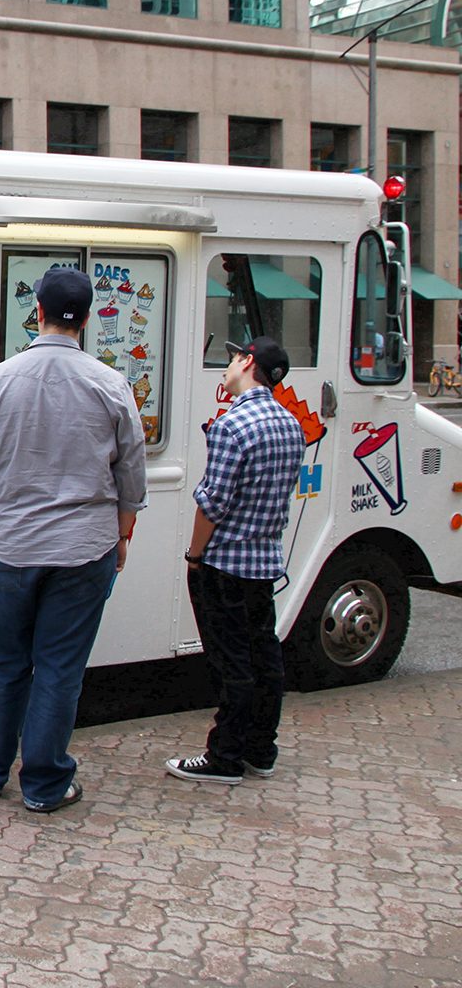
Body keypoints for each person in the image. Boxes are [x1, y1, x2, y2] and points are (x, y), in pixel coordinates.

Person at [0, 267, 147, 813]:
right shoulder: (110, 384)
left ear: (36, 310)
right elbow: (131, 473)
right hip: (86, 548)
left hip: (12, 545)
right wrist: (123, 535)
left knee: (4, 663)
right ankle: (44, 784)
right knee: (60, 668)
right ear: (86, 318)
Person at [166, 336, 305, 785]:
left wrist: (194, 554)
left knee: (231, 664)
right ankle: (261, 749)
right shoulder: (289, 424)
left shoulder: (232, 424)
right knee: (265, 658)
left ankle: (224, 755)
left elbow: (213, 502)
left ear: (248, 363)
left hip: (224, 563)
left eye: (231, 359)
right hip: (264, 562)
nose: (225, 368)